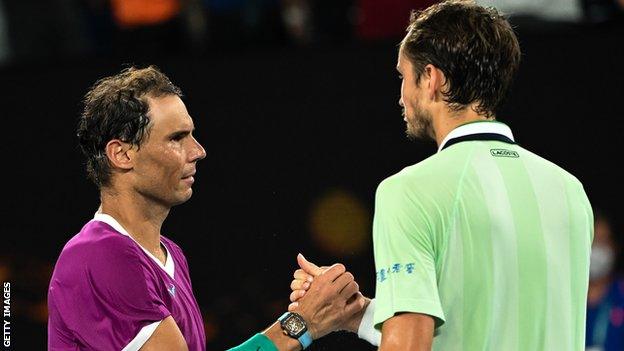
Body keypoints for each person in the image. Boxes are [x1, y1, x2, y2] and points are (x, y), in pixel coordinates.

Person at [289, 1, 594, 350]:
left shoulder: (408, 191)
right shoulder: (570, 191)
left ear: (431, 79)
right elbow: (491, 324)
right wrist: (361, 315)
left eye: (404, 76)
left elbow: (410, 346)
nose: (401, 97)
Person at [47, 66, 365, 351]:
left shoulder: (170, 256)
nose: (198, 151)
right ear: (122, 155)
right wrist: (301, 323)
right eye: (176, 138)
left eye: (192, 135)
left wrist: (315, 317)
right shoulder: (98, 256)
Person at [586, 211, 624, 351]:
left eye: (603, 241)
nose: (596, 249)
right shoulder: (567, 297)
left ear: (614, 247)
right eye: (593, 241)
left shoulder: (620, 296)